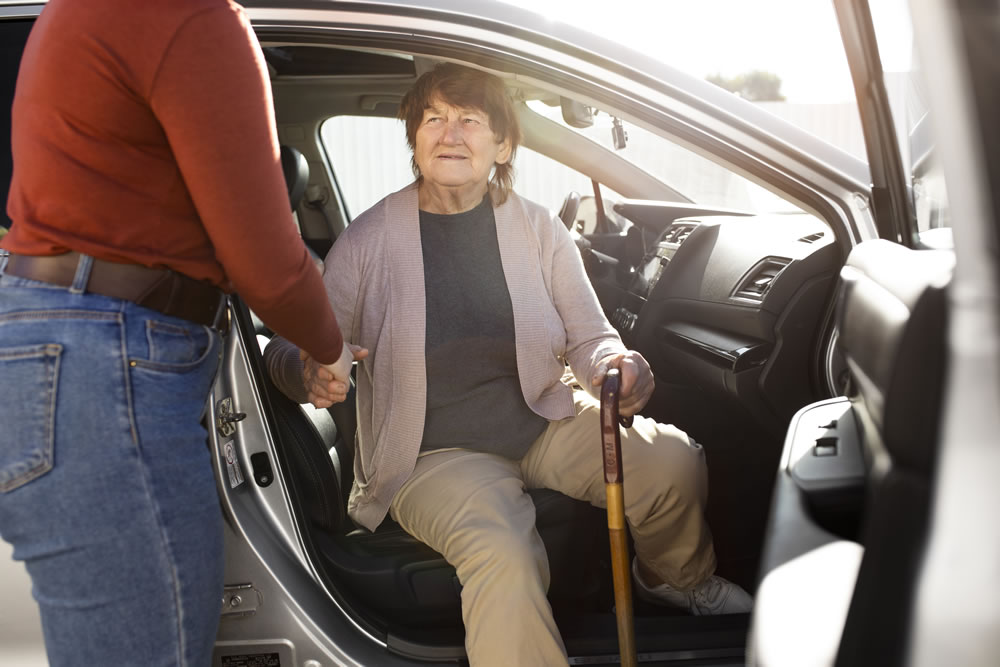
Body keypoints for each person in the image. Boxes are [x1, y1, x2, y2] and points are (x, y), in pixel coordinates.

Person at [264, 62, 751, 666]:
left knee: (671, 462)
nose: (450, 134)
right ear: (414, 139)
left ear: (502, 144)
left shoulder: (538, 228)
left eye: (469, 120)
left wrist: (614, 366)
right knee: (503, 551)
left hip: (542, 419)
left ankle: (675, 581)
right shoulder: (368, 240)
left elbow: (591, 336)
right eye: (433, 119)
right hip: (432, 454)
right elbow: (286, 348)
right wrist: (306, 372)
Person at [0, 1, 359, 665]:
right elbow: (267, 264)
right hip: (107, 367)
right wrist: (331, 349)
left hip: (65, 350)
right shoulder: (191, 15)